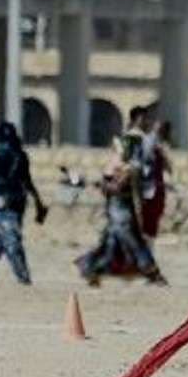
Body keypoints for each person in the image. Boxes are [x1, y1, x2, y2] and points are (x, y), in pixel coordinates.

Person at [76, 135, 166, 287]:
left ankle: (152, 274)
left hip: (124, 216)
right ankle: (93, 271)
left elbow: (119, 188)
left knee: (132, 246)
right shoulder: (119, 168)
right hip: (115, 215)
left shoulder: (132, 168)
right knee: (112, 246)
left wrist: (102, 184)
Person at [0, 122, 47, 285]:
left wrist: (38, 202)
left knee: (8, 242)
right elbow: (27, 181)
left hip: (7, 201)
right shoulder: (15, 155)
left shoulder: (3, 155)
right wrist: (38, 202)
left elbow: (24, 180)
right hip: (6, 201)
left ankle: (22, 277)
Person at [139, 118, 173, 250]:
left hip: (157, 187)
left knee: (153, 220)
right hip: (147, 187)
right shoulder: (147, 142)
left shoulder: (162, 147)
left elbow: (169, 168)